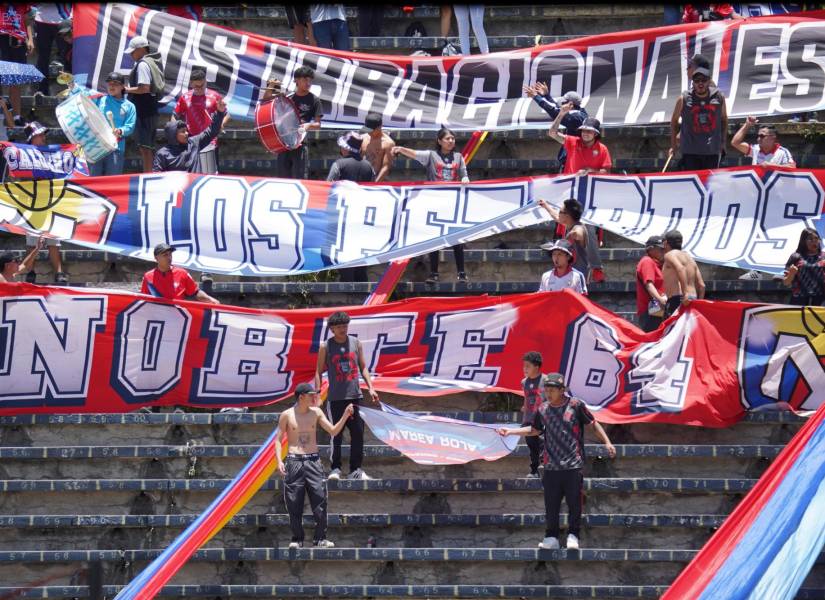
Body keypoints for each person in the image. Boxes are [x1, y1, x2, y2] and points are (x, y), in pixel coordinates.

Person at [497, 372, 616, 551]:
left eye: (553, 390)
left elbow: (593, 424)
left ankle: (573, 535)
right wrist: (511, 431)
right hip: (551, 466)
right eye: (547, 390)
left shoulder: (576, 405)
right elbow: (534, 430)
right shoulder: (543, 409)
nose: (549, 393)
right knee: (551, 504)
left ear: (562, 390)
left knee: (574, 503)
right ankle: (551, 537)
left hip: (573, 465)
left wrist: (607, 442)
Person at [276, 382, 354, 549]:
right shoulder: (286, 415)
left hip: (313, 461)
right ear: (301, 397)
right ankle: (297, 539)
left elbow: (333, 431)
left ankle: (320, 539)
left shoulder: (316, 412)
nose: (314, 397)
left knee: (320, 500)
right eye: (311, 395)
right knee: (293, 502)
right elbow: (278, 439)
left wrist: (346, 415)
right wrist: (278, 460)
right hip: (294, 460)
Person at [392, 127, 470, 283]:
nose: (451, 141)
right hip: (435, 202)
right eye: (447, 139)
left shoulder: (458, 157)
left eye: (453, 138)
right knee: (435, 238)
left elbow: (464, 174)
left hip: (453, 202)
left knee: (457, 239)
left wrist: (465, 179)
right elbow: (414, 154)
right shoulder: (431, 156)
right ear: (439, 141)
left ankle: (461, 273)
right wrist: (400, 149)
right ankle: (434, 273)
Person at [314, 311, 380, 481]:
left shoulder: (356, 343)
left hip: (355, 395)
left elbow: (363, 367)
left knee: (358, 433)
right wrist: (317, 393)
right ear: (332, 329)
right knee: (336, 433)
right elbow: (318, 371)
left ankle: (355, 470)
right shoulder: (325, 347)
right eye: (339, 327)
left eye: (345, 326)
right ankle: (335, 468)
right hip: (336, 398)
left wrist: (371, 387)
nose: (343, 329)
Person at [20, 121, 67, 284]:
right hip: (32, 203)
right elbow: (22, 178)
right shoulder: (23, 156)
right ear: (32, 139)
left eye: (43, 134)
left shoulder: (51, 154)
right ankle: (30, 271)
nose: (43, 137)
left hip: (51, 200)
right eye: (39, 135)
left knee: (54, 240)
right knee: (32, 241)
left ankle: (59, 272)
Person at [328, 131, 374, 284]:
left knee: (345, 252)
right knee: (361, 254)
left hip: (343, 216)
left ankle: (346, 285)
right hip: (362, 215)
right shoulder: (369, 167)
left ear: (345, 149)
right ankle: (362, 285)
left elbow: (329, 187)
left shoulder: (339, 164)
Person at [264, 67, 322, 180]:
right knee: (283, 178)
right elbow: (266, 100)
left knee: (300, 178)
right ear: (296, 80)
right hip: (283, 142)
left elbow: (318, 124)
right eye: (305, 80)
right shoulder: (287, 97)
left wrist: (308, 125)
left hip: (300, 142)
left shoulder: (315, 100)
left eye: (310, 80)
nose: (308, 83)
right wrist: (271, 86)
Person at [172, 68, 229, 174]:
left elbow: (226, 114)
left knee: (210, 172)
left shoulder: (214, 96)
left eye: (202, 86)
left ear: (205, 82)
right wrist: (175, 132)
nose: (199, 89)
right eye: (196, 86)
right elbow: (174, 116)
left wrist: (221, 124)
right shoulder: (185, 97)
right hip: (191, 140)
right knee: (192, 172)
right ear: (191, 84)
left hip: (210, 139)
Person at [670, 66, 727, 170]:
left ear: (709, 81)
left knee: (709, 185)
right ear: (693, 83)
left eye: (704, 80)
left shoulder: (719, 97)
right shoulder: (684, 99)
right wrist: (673, 145)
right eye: (697, 81)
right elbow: (674, 121)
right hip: (690, 152)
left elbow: (724, 120)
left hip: (711, 152)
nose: (700, 83)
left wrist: (723, 142)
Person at [537, 198, 604, 283]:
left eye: (560, 212)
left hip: (577, 279)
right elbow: (556, 216)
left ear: (567, 216)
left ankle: (597, 269)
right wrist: (546, 206)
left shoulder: (578, 227)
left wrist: (572, 235)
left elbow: (578, 232)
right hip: (569, 276)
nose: (558, 214)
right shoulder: (568, 223)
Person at [523, 86, 587, 173]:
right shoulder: (581, 113)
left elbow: (553, 110)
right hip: (575, 160)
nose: (561, 105)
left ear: (571, 104)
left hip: (572, 163)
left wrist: (536, 96)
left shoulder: (574, 118)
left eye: (564, 102)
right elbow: (557, 108)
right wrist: (546, 95)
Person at [153, 98, 227, 173]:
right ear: (173, 135)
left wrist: (219, 113)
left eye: (186, 131)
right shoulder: (162, 154)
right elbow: (156, 176)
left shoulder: (194, 143)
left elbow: (211, 131)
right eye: (183, 132)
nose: (187, 133)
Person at [123, 35, 162, 173]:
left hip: (145, 110)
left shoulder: (143, 65)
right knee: (145, 147)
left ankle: (148, 175)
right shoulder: (148, 63)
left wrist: (126, 89)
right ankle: (149, 173)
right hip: (147, 109)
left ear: (141, 49)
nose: (132, 54)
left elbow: (144, 88)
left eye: (133, 51)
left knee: (146, 148)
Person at [89, 72, 136, 176]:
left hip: (116, 148)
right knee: (93, 182)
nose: (111, 86)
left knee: (111, 182)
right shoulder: (100, 99)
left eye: (115, 83)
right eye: (109, 83)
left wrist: (120, 131)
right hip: (97, 147)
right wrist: (71, 84)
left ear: (123, 86)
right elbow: (82, 94)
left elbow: (130, 126)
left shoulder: (130, 106)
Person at [140, 243, 219, 304]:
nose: (169, 257)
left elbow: (195, 292)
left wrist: (210, 300)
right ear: (156, 258)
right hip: (157, 317)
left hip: (178, 317)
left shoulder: (182, 273)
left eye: (170, 254)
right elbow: (143, 299)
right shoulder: (148, 277)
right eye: (165, 255)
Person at [548, 106, 612, 176]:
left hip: (591, 185)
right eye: (583, 130)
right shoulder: (573, 141)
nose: (585, 133)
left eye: (589, 131)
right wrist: (561, 114)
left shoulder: (603, 149)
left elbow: (607, 171)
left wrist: (590, 170)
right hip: (570, 184)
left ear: (596, 134)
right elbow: (552, 133)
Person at [0, 4, 34, 124]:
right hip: (2, 38)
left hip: (19, 40)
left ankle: (16, 116)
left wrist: (30, 39)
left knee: (15, 80)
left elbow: (27, 19)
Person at [661, 229, 705, 318]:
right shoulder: (689, 258)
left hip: (678, 299)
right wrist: (699, 302)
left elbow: (680, 268)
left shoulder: (670, 255)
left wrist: (685, 293)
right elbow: (702, 285)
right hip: (693, 299)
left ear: (666, 243)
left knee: (670, 331)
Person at [32, 4, 71, 97]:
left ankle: (70, 88)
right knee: (42, 58)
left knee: (67, 56)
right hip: (41, 20)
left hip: (63, 19)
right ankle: (41, 90)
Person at [782, 227, 825, 306]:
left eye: (816, 238)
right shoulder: (795, 257)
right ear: (803, 241)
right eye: (810, 239)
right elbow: (786, 282)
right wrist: (791, 273)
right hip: (799, 299)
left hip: (821, 299)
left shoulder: (823, 257)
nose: (814, 242)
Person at [731, 117, 795, 167]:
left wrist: (771, 166)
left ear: (773, 137)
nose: (758, 139)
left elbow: (792, 167)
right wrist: (747, 125)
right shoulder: (755, 149)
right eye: (758, 136)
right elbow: (735, 143)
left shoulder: (782, 152)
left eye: (762, 136)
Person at [635, 235, 667, 332]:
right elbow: (649, 284)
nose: (663, 252)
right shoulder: (647, 261)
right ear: (651, 249)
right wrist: (660, 300)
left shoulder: (658, 264)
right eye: (660, 249)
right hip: (651, 311)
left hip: (657, 310)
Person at [520, 351, 544, 479]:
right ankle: (534, 470)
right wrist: (525, 409)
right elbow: (526, 397)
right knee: (531, 445)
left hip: (542, 418)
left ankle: (544, 468)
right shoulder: (524, 382)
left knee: (543, 443)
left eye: (528, 366)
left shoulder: (546, 380)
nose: (525, 369)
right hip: (529, 418)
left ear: (537, 367)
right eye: (524, 366)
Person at [360, 112, 394, 182]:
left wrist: (375, 184)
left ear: (380, 127)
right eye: (367, 130)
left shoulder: (388, 143)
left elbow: (386, 167)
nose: (369, 133)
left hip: (377, 180)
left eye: (371, 131)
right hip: (361, 179)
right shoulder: (362, 138)